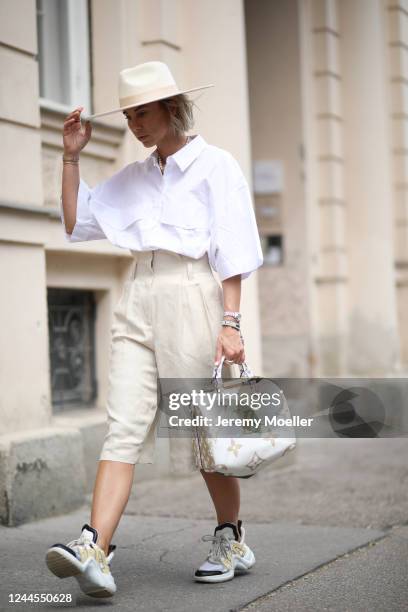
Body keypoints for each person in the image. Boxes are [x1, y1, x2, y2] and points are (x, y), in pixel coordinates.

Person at [45, 61, 263, 597]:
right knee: (122, 424)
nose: (136, 124)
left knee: (201, 432)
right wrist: (71, 156)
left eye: (144, 112)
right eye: (129, 115)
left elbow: (231, 251)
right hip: (137, 294)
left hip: (193, 293)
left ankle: (231, 537)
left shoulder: (216, 166)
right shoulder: (136, 177)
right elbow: (77, 220)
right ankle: (94, 548)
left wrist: (231, 324)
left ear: (172, 108)